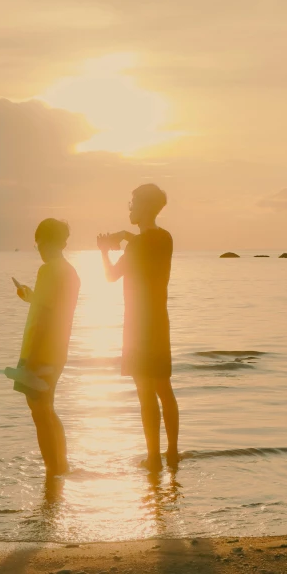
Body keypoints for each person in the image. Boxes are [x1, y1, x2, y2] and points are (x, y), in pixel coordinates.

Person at [97, 184, 179, 471]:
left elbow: (110, 277)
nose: (129, 207)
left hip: (137, 326)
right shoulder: (164, 238)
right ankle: (172, 453)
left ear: (143, 207)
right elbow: (145, 241)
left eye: (132, 203)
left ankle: (153, 457)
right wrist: (124, 236)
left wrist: (104, 252)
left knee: (145, 391)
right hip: (159, 321)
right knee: (163, 388)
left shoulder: (137, 246)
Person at [14, 219, 80, 477]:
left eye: (40, 242)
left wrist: (30, 359)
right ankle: (60, 466)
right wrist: (31, 296)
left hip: (41, 350)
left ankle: (53, 471)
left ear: (51, 242)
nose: (38, 248)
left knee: (40, 412)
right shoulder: (69, 271)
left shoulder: (49, 270)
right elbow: (52, 307)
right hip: (57, 349)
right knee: (47, 409)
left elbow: (43, 318)